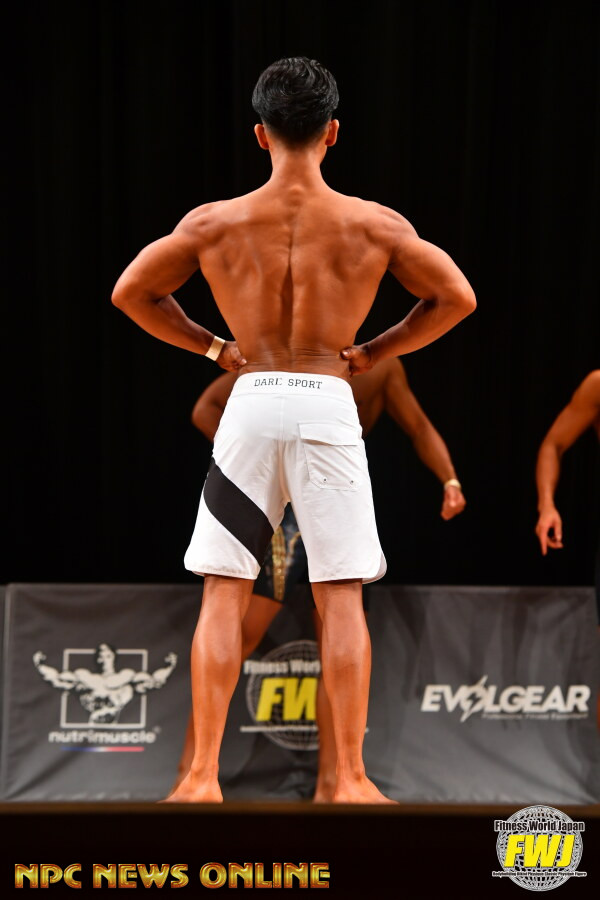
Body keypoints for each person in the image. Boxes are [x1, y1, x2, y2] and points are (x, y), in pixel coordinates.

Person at [111, 57, 476, 803]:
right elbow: (456, 297)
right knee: (341, 595)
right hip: (327, 400)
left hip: (249, 401)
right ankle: (350, 782)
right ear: (333, 132)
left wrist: (212, 348)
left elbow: (132, 292)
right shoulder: (373, 224)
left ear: (260, 134)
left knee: (224, 591)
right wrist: (375, 350)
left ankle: (200, 779)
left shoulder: (214, 222)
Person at [171, 360, 467, 799]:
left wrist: (450, 478)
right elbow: (204, 409)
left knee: (335, 633)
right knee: (243, 630)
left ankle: (332, 785)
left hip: (329, 492)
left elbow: (419, 426)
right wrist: (269, 473)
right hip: (285, 518)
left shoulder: (382, 367)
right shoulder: (285, 353)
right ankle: (191, 772)